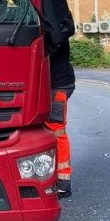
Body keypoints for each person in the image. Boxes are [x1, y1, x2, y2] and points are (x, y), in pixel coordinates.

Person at [46, 37, 75, 198]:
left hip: (58, 86)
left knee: (56, 129)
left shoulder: (54, 33)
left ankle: (63, 184)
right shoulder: (57, 29)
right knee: (48, 129)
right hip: (55, 84)